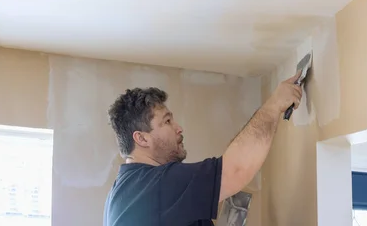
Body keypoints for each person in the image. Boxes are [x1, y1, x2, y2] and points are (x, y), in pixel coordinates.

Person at [103, 72, 303, 226]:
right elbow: (235, 170)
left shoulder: (123, 191)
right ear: (141, 138)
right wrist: (275, 104)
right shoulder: (157, 185)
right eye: (167, 121)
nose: (178, 127)